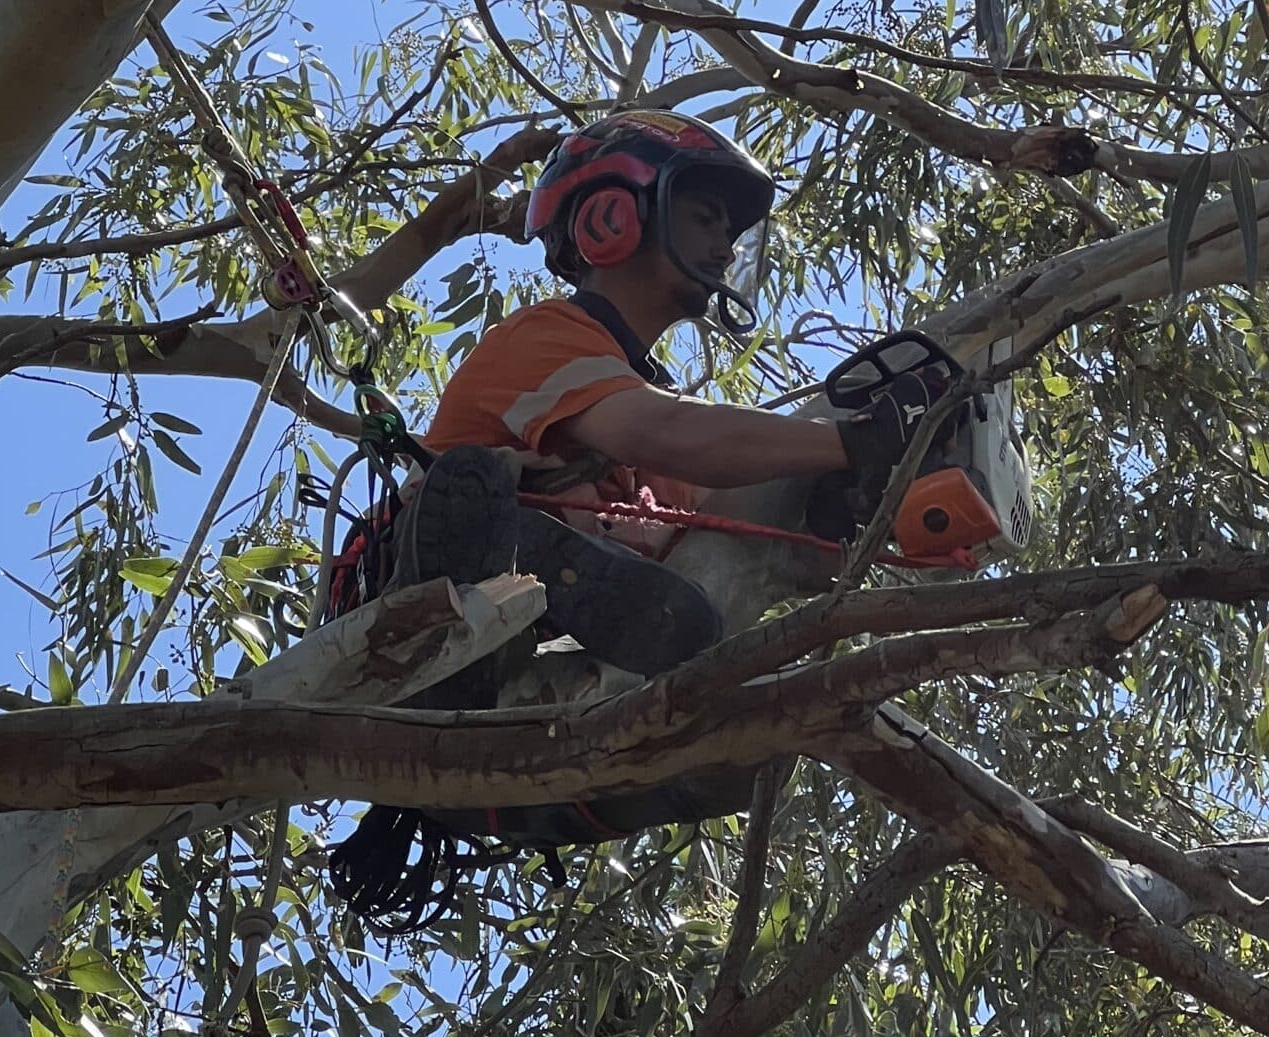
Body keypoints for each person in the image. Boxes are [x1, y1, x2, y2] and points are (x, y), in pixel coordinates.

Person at [329, 111, 928, 924]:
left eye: (729, 228)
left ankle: (651, 734)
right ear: (614, 215)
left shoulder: (637, 429)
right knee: (479, 492)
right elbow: (677, 433)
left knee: (741, 741)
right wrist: (850, 443)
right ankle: (485, 672)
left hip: (540, 735)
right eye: (705, 215)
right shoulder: (548, 341)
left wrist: (858, 503)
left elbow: (729, 528)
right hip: (439, 657)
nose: (723, 245)